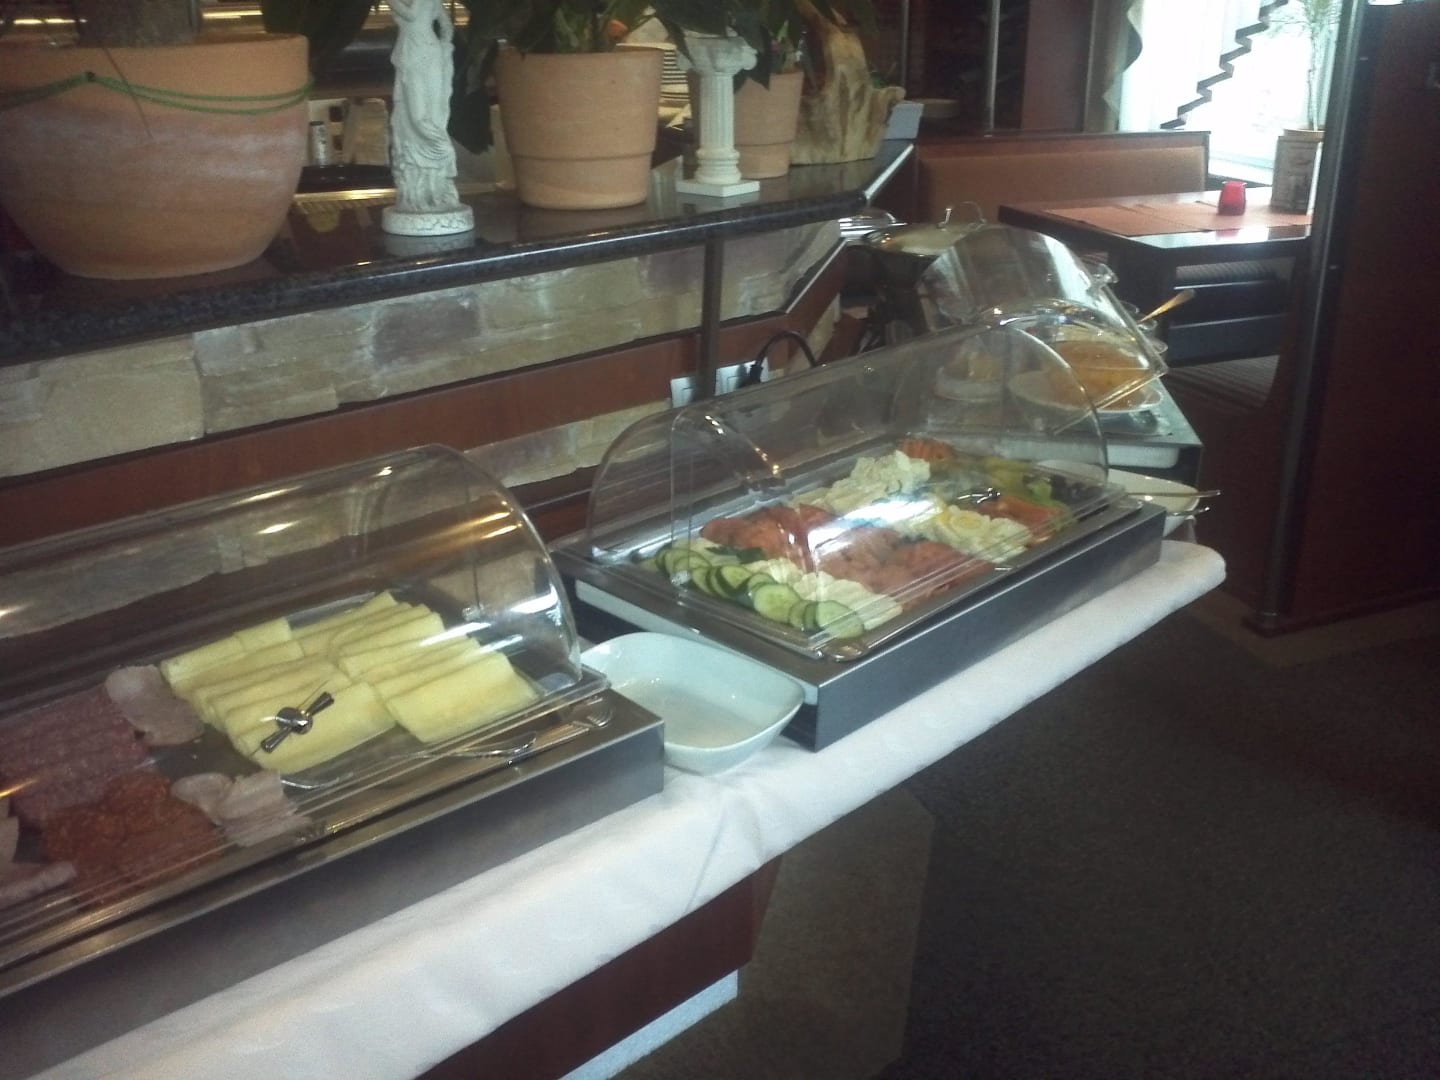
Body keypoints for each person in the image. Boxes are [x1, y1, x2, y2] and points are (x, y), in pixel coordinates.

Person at [388, 0, 461, 214]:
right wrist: (443, 43)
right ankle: (426, 184)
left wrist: (444, 47)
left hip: (421, 54)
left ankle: (442, 155)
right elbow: (446, 27)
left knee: (425, 116)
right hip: (416, 53)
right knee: (417, 116)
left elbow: (413, 16)